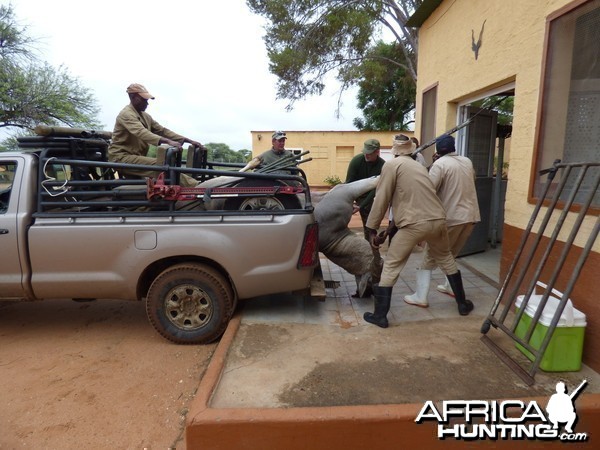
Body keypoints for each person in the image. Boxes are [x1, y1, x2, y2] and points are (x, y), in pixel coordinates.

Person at [363, 134, 474, 328]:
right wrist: (390, 228)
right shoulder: (419, 166)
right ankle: (462, 304)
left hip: (414, 224)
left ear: (394, 150)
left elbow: (382, 198)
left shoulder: (392, 165)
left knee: (392, 264)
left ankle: (380, 315)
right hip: (438, 220)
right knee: (446, 257)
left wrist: (372, 227)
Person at [404, 134, 480, 307]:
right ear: (454, 147)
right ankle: (449, 287)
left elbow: (429, 190)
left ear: (438, 150)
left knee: (430, 256)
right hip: (471, 217)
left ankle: (420, 297)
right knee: (451, 254)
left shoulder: (440, 164)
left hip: (451, 218)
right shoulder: (467, 161)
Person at [108, 83, 204, 188]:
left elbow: (162, 130)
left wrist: (187, 140)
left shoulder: (145, 116)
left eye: (147, 100)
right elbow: (142, 132)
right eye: (143, 100)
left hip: (135, 157)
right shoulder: (126, 114)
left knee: (145, 189)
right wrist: (167, 142)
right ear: (132, 97)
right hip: (121, 158)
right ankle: (198, 187)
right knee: (161, 166)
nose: (147, 103)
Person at [345, 139, 386, 241]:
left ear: (377, 152)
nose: (366, 155)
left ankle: (371, 243)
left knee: (370, 221)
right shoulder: (356, 161)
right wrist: (349, 202)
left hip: (372, 195)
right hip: (356, 191)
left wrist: (361, 206)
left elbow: (376, 190)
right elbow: (349, 183)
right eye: (365, 152)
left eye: (369, 153)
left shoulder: (383, 166)